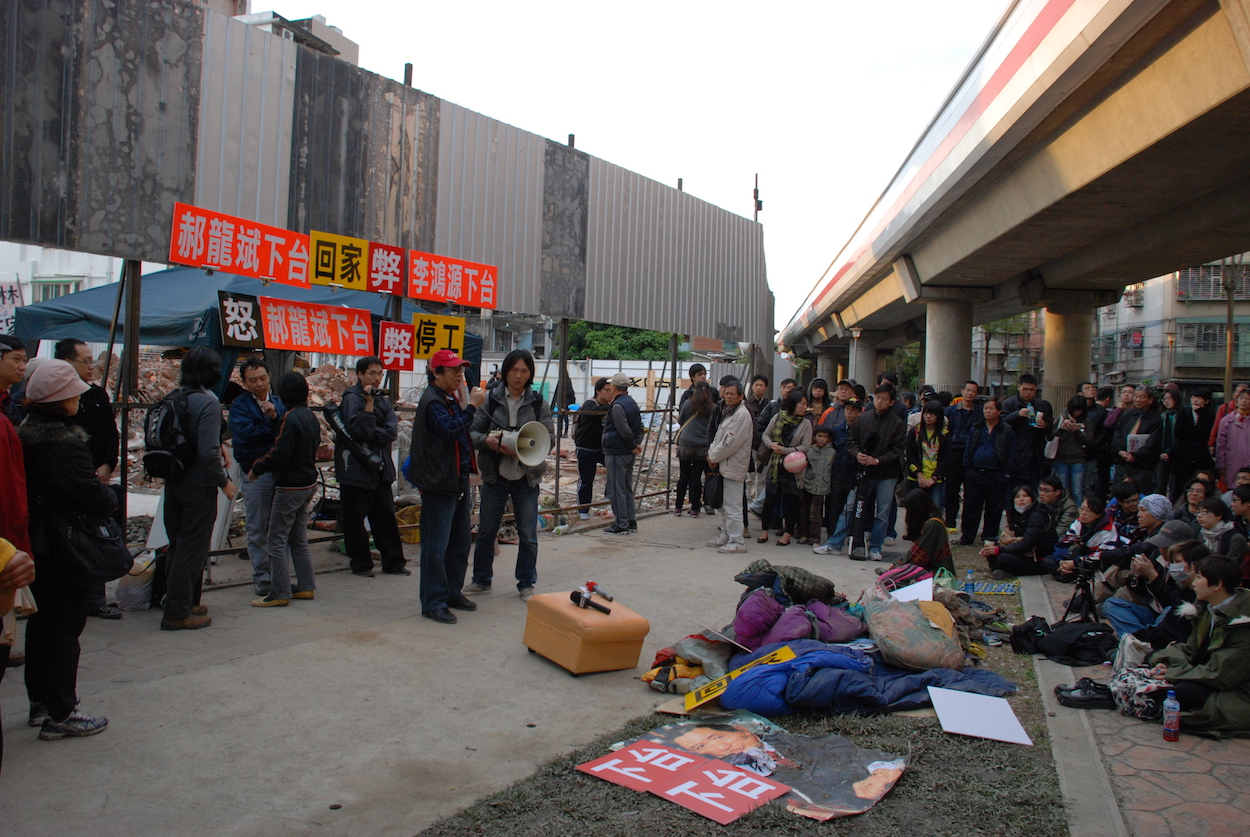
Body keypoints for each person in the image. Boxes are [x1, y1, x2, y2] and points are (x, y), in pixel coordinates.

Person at [19, 360, 117, 738]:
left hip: (38, 542)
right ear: (62, 400)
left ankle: (41, 702)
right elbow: (91, 495)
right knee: (64, 627)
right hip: (66, 545)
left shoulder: (24, 434)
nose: (79, 398)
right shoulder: (65, 444)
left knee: (42, 624)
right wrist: (107, 497)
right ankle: (62, 712)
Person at [468, 349, 555, 600]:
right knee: (487, 531)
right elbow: (472, 432)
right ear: (505, 372)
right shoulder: (489, 400)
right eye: (514, 370)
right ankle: (481, 580)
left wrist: (527, 448)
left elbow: (548, 437)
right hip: (495, 476)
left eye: (524, 371)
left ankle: (526, 582)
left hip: (526, 478)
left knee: (528, 535)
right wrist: (488, 441)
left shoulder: (537, 403)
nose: (518, 375)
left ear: (530, 374)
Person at [408, 350, 485, 624]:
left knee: (459, 542)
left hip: (456, 479)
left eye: (460, 370)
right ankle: (433, 602)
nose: (459, 375)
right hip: (439, 483)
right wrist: (472, 407)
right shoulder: (432, 401)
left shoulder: (448, 398)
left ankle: (452, 592)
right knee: (436, 547)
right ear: (436, 373)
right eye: (453, 370)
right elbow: (450, 430)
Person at [162, 347, 236, 630]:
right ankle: (177, 612)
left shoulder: (176, 397)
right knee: (192, 548)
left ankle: (186, 601)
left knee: (178, 544)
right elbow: (206, 452)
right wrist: (224, 482)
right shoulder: (208, 402)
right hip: (199, 486)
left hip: (175, 481)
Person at [53, 339, 124, 621]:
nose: (92, 366)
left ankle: (95, 599)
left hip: (96, 478)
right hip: (68, 483)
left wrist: (107, 465)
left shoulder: (96, 395)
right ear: (66, 364)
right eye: (86, 361)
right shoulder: (54, 401)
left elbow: (111, 433)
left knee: (96, 537)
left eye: (93, 361)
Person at [1143, 555, 1250, 737]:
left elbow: (1220, 674)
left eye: (1199, 577)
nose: (1194, 583)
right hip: (1212, 675)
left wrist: (1172, 673)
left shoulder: (1243, 624)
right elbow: (1192, 649)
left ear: (1217, 585)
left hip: (1238, 691)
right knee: (1153, 659)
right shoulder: (1209, 608)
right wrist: (1162, 660)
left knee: (1180, 694)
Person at [245, 372, 319, 607]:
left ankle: (279, 592)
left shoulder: (291, 417)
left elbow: (280, 453)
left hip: (290, 485)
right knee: (298, 537)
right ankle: (306, 586)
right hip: (308, 482)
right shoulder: (309, 416)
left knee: (275, 538)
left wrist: (257, 467)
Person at [335, 356, 407, 577]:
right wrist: (368, 407)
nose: (377, 378)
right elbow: (358, 431)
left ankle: (393, 562)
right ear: (360, 375)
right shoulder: (352, 398)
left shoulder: (382, 399)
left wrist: (374, 433)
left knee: (385, 518)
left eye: (379, 373)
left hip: (380, 468)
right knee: (355, 520)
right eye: (372, 373)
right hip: (356, 470)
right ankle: (361, 564)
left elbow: (391, 430)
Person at [228, 357, 286, 598]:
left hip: (280, 472)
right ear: (244, 382)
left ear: (269, 377)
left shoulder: (279, 402)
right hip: (255, 472)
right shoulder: (239, 406)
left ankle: (280, 575)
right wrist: (273, 423)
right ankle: (262, 576)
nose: (259, 384)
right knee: (257, 526)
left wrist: (276, 420)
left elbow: (288, 431)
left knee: (280, 526)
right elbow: (247, 436)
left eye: (263, 378)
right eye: (253, 380)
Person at [846, 384, 906, 561]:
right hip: (865, 471)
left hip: (887, 473)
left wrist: (878, 460)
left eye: (884, 399)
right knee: (855, 506)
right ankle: (853, 540)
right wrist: (857, 454)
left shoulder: (897, 423)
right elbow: (852, 442)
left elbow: (898, 450)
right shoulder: (863, 418)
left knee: (883, 511)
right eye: (878, 398)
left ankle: (875, 546)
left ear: (892, 402)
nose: (879, 402)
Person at [758, 390, 812, 546]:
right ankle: (764, 531)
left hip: (794, 468)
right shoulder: (778, 417)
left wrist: (786, 451)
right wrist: (771, 445)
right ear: (793, 404)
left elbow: (806, 446)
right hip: (775, 465)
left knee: (791, 501)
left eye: (806, 404)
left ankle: (788, 533)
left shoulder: (806, 424)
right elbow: (766, 434)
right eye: (802, 404)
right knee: (770, 499)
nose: (805, 407)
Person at [959, 397, 1016, 546]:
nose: (988, 411)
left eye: (991, 408)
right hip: (975, 473)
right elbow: (968, 450)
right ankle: (967, 536)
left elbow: (1011, 453)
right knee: (971, 506)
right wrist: (968, 469)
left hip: (996, 474)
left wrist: (1006, 474)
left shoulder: (1007, 430)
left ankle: (989, 536)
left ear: (999, 411)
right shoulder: (976, 428)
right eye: (985, 408)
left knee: (994, 508)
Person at [706, 380, 753, 554]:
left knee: (733, 506)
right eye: (726, 393)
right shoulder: (728, 411)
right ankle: (726, 534)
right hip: (723, 464)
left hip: (733, 465)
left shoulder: (741, 415)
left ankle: (737, 540)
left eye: (732, 394)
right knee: (724, 505)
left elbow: (730, 443)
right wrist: (712, 454)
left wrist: (713, 456)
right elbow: (718, 436)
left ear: (741, 396)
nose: (728, 396)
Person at [812, 399, 863, 555]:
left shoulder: (862, 430)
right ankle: (832, 539)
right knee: (834, 508)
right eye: (847, 409)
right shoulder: (837, 430)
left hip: (854, 476)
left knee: (851, 509)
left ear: (859, 412)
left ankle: (849, 537)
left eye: (853, 410)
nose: (849, 413)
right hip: (837, 474)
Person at [980, 485, 1056, 579]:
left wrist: (999, 550)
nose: (1021, 499)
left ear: (1032, 498)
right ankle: (998, 570)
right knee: (991, 544)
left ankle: (1000, 569)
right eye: (1018, 497)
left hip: (1039, 557)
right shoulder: (1017, 514)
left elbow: (1027, 544)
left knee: (1003, 558)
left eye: (1025, 496)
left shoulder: (1037, 516)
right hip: (1023, 551)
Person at [602, 373, 643, 535]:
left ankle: (621, 524)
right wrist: (636, 444)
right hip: (627, 452)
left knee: (616, 489)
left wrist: (632, 445)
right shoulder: (632, 403)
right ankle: (630, 521)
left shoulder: (617, 405)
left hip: (617, 451)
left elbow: (623, 429)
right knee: (626, 487)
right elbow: (639, 427)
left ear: (614, 387)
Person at [1000, 373, 1053, 492]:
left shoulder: (1042, 405)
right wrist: (1016, 415)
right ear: (1019, 387)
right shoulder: (1009, 404)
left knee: (1033, 489)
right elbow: (1001, 423)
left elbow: (1050, 428)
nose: (1028, 392)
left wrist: (1044, 425)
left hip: (1036, 455)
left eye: (1031, 390)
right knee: (1014, 490)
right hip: (1015, 454)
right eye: (1025, 389)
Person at [1050, 495, 1119, 580]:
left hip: (1092, 560)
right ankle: (1067, 571)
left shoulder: (1108, 530)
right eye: (1082, 509)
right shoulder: (1078, 523)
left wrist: (1075, 563)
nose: (1083, 513)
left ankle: (1070, 574)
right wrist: (1061, 561)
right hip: (1077, 556)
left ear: (1098, 515)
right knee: (1049, 560)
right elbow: (1065, 543)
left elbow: (1104, 555)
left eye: (1088, 511)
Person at [572, 377, 612, 521]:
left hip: (603, 449)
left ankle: (609, 497)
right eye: (607, 390)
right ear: (598, 391)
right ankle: (583, 509)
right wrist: (613, 407)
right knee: (586, 480)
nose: (610, 393)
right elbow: (595, 412)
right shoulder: (590, 404)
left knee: (615, 471)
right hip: (586, 448)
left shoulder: (610, 406)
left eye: (612, 391)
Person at [943, 380, 981, 531]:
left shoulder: (979, 412)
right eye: (968, 390)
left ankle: (967, 527)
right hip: (954, 454)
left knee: (971, 493)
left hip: (972, 455)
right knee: (951, 490)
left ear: (976, 394)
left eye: (973, 391)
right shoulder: (950, 411)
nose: (970, 393)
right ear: (963, 391)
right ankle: (950, 523)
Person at [673, 381, 715, 517]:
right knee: (696, 477)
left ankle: (678, 507)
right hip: (703, 445)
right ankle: (695, 509)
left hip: (686, 443)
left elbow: (681, 421)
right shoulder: (713, 407)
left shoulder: (687, 404)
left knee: (683, 476)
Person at [1114, 385, 1163, 494]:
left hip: (1142, 465)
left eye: (1142, 397)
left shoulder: (1155, 418)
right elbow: (1117, 434)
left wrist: (1135, 456)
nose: (1137, 399)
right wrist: (1120, 451)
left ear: (1150, 400)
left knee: (1139, 493)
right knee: (1119, 492)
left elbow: (1152, 442)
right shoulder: (1127, 414)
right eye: (1136, 396)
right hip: (1123, 462)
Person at [898, 488, 955, 575]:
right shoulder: (929, 522)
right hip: (930, 568)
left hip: (938, 572)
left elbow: (922, 554)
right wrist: (899, 564)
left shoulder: (933, 524)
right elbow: (916, 550)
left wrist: (900, 569)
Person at [904, 400, 948, 507]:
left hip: (935, 480)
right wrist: (919, 475)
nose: (928, 416)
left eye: (932, 414)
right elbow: (910, 454)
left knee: (934, 509)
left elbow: (946, 458)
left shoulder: (944, 435)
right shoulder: (915, 432)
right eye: (926, 413)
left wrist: (935, 477)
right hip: (916, 478)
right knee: (915, 510)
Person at [1051, 395, 1093, 505]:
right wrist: (1061, 429)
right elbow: (1050, 437)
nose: (1077, 413)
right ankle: (1063, 510)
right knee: (1063, 490)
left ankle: (1078, 512)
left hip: (1078, 459)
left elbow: (1089, 442)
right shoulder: (1061, 418)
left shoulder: (1086, 422)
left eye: (1080, 410)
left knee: (1077, 491)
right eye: (1075, 410)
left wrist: (1077, 432)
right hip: (1061, 458)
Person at [800, 425, 836, 545]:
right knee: (804, 511)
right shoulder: (810, 451)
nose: (822, 439)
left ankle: (815, 537)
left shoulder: (832, 452)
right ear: (814, 437)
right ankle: (805, 534)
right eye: (819, 436)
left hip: (822, 486)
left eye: (825, 437)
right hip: (808, 484)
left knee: (815, 514)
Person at [1194, 497, 1248, 562]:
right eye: (1198, 512)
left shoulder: (1235, 538)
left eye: (1205, 512)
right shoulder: (1201, 534)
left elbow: (1232, 564)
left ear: (1218, 515)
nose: (1199, 515)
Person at [1216, 386, 1250, 488]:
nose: (1243, 401)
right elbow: (1221, 444)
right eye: (1241, 398)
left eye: (1247, 399)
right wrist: (1221, 465)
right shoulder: (1227, 421)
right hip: (1233, 462)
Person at [1155, 389, 1181, 501]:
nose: (1166, 401)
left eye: (1169, 398)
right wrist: (1161, 452)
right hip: (1161, 453)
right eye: (1164, 399)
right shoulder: (1160, 416)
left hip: (1177, 454)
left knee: (1175, 484)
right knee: (1160, 482)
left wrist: (1170, 451)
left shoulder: (1181, 415)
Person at [1208, 383, 1248, 452]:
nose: (1243, 400)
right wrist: (1211, 443)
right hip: (1228, 446)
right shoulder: (1224, 408)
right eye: (1240, 395)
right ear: (1234, 395)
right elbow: (1216, 426)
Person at [1038, 475, 1077, 541]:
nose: (1041, 493)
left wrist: (1041, 536)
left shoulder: (1069, 506)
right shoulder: (1038, 502)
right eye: (1040, 490)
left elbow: (1063, 529)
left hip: (1058, 536)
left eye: (1047, 491)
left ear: (1057, 492)